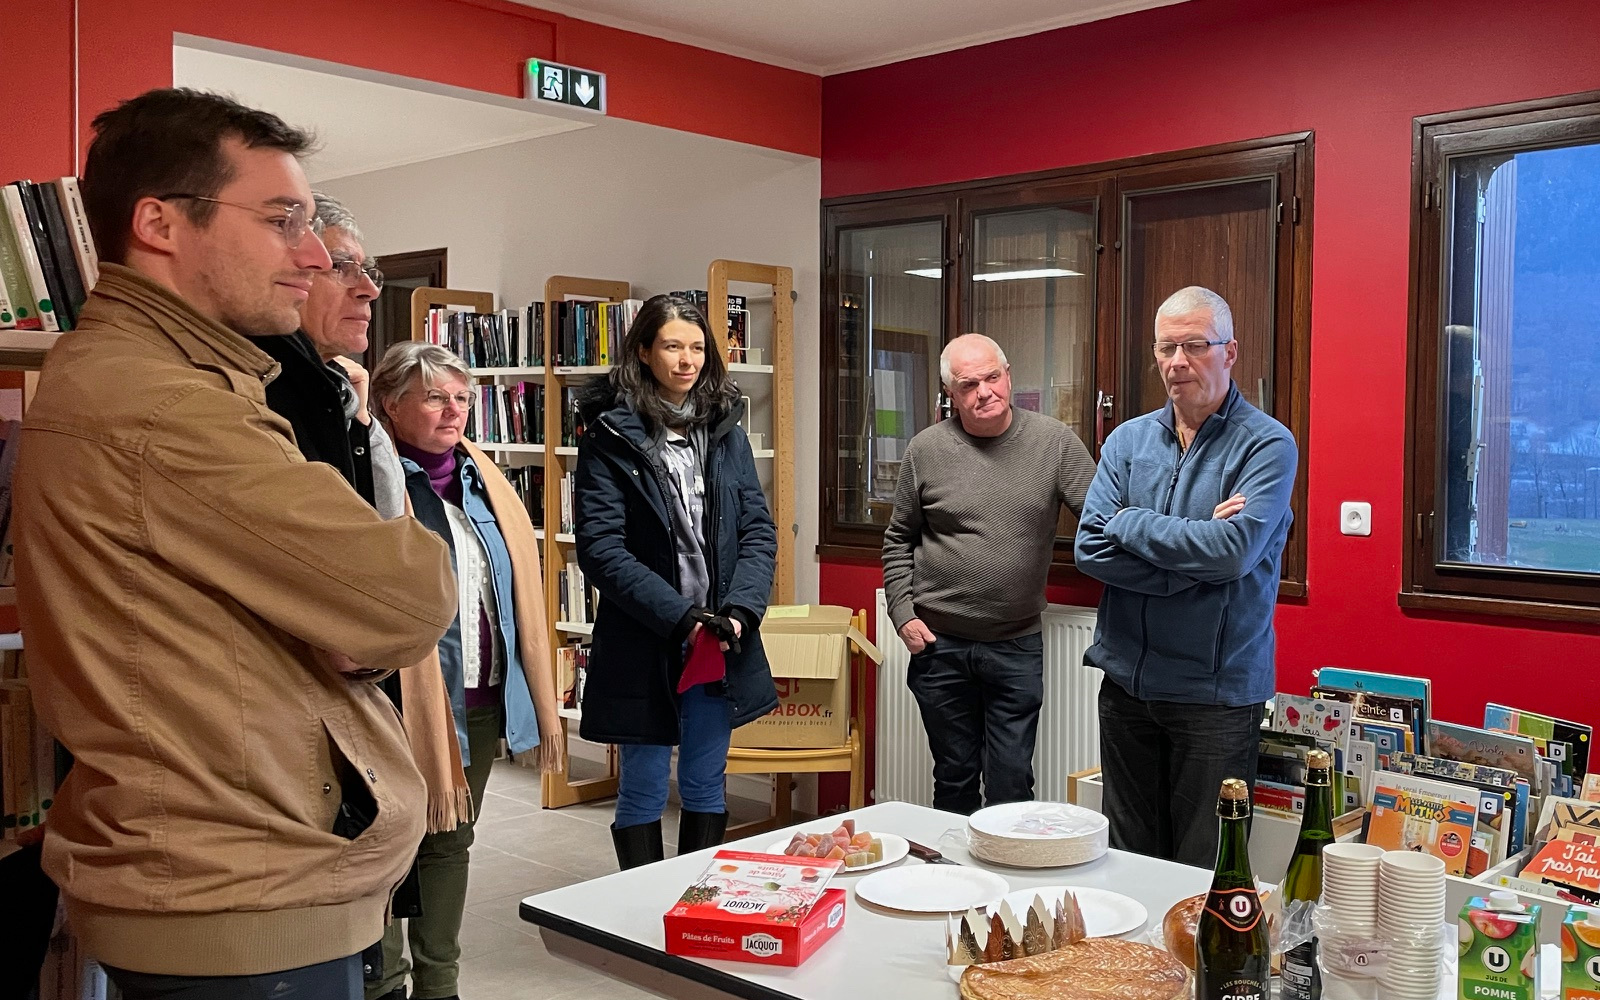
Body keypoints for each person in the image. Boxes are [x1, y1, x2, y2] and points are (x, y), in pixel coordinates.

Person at [12, 88, 457, 998]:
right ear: (160, 224)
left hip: (232, 881)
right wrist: (361, 605)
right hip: (241, 902)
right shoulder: (165, 404)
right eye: (282, 219)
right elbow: (407, 598)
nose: (313, 254)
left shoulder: (170, 376)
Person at [1074, 285, 1297, 868]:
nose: (1178, 362)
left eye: (1195, 346)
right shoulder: (1127, 441)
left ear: (1230, 352)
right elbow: (1090, 550)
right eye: (1166, 348)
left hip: (1215, 698)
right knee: (1129, 864)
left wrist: (1130, 521)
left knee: (1205, 870)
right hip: (1127, 688)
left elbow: (1231, 554)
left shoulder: (1268, 445)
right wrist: (1189, 565)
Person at [371, 341, 565, 1000]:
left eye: (461, 398)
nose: (453, 411)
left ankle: (439, 984)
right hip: (396, 698)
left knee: (450, 841)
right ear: (391, 404)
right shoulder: (368, 477)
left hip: (479, 694)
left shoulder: (485, 480)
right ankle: (382, 983)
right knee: (389, 846)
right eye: (434, 398)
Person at [574, 295, 777, 870]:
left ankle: (694, 901)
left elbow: (758, 531)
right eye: (671, 346)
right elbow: (601, 550)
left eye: (697, 347)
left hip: (719, 637)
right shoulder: (608, 436)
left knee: (705, 780)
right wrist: (680, 618)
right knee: (642, 784)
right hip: (646, 636)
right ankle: (643, 906)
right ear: (643, 351)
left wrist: (741, 610)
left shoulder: (726, 431)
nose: (687, 360)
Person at [882, 333, 1097, 815]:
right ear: (951, 394)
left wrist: (1186, 525)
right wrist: (901, 613)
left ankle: (1007, 867)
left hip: (1015, 645)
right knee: (953, 777)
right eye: (968, 384)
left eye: (992, 377)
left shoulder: (1054, 442)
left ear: (1008, 377)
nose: (984, 392)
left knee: (1011, 783)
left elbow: (1106, 518)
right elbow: (898, 539)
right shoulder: (925, 449)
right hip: (939, 645)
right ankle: (953, 865)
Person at [248, 191, 405, 518]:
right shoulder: (252, 393)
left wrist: (362, 421)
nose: (370, 291)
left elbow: (387, 521)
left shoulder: (344, 392)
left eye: (366, 271)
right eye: (341, 267)